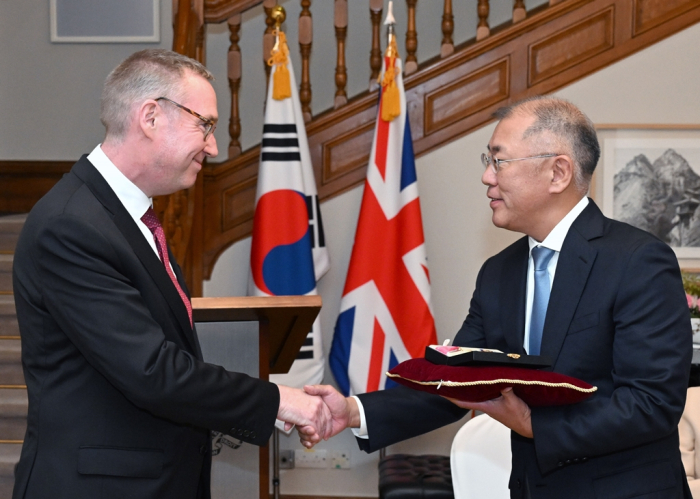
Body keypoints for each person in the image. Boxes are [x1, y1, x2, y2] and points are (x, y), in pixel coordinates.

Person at [300, 96, 694, 498]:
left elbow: (651, 403)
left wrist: (533, 424)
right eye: (486, 161)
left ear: (558, 172)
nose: (487, 177)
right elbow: (458, 383)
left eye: (499, 161)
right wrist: (352, 411)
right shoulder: (498, 272)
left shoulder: (637, 261)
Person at [12, 49, 331, 499]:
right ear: (150, 116)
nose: (214, 146)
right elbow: (152, 370)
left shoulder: (129, 218)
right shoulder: (71, 225)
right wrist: (278, 400)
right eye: (205, 124)